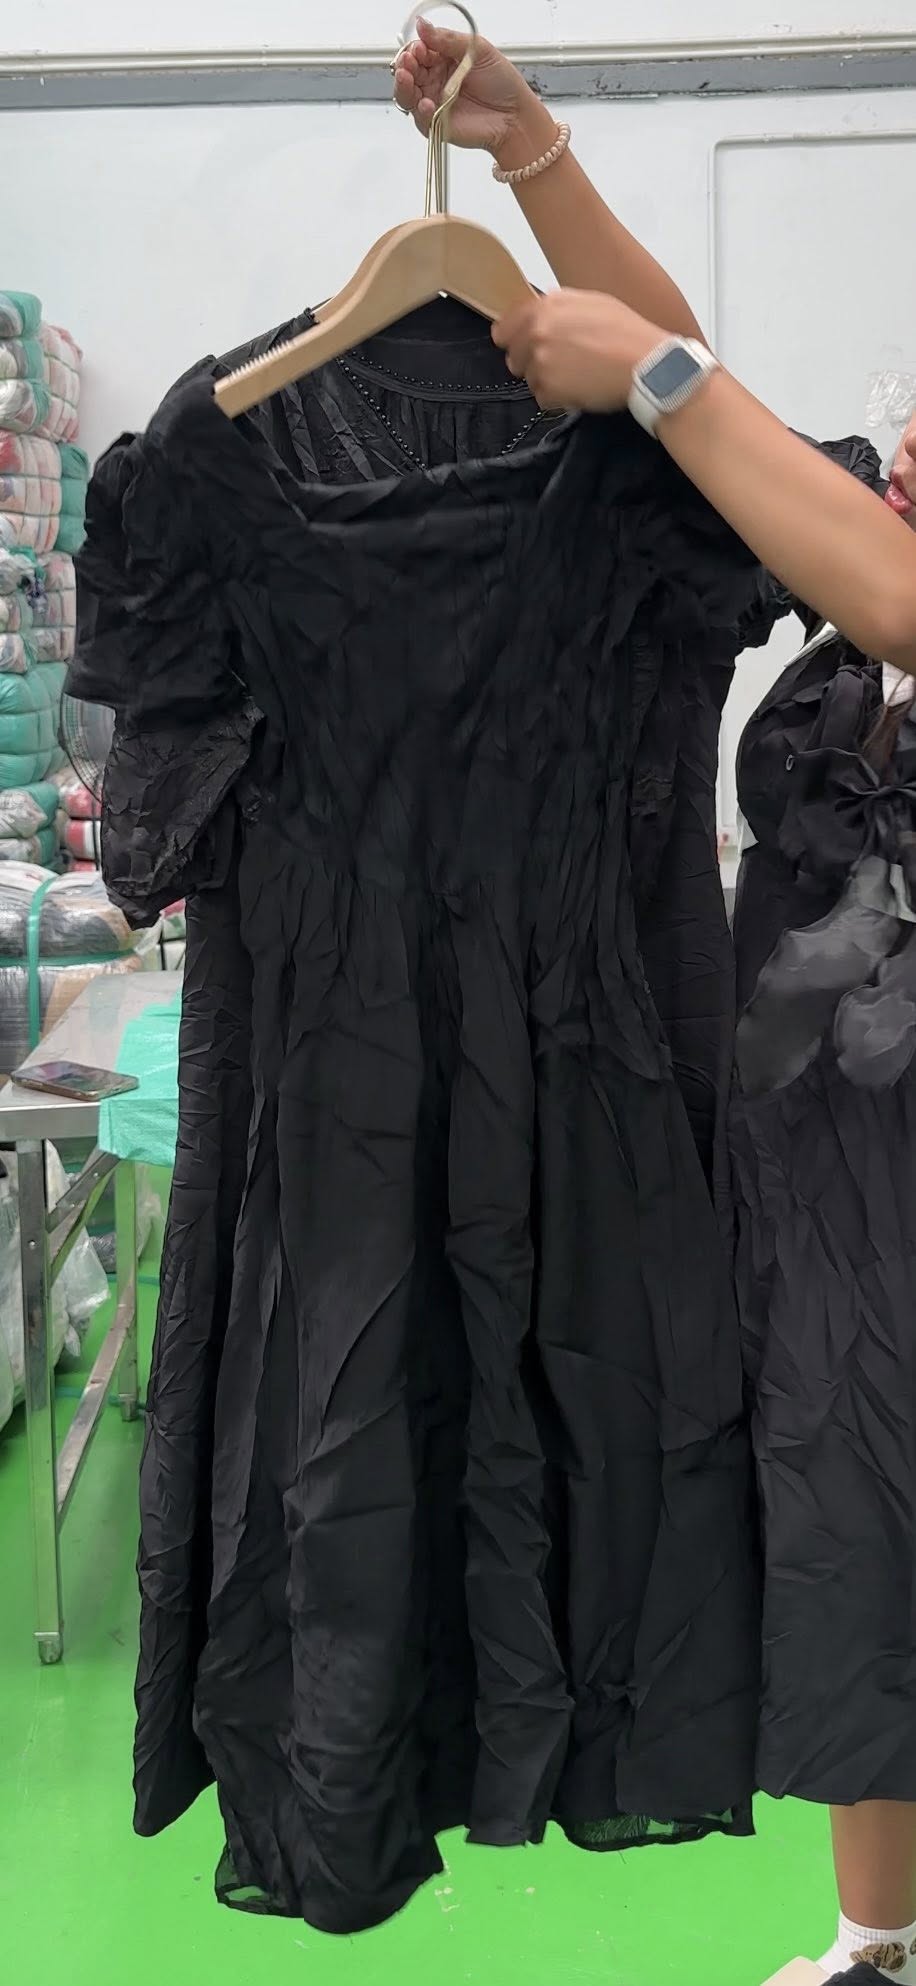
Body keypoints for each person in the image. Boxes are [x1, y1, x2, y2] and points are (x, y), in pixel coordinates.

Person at [395, 21, 916, 1986]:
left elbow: (794, 499)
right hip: (823, 1192)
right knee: (858, 1546)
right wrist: (531, 157)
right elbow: (712, 404)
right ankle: (876, 1937)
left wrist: (666, 383)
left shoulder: (887, 592)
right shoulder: (856, 563)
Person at [394, 22, 916, 678]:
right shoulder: (871, 538)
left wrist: (654, 371)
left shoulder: (893, 595)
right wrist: (518, 131)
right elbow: (715, 439)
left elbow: (902, 610)